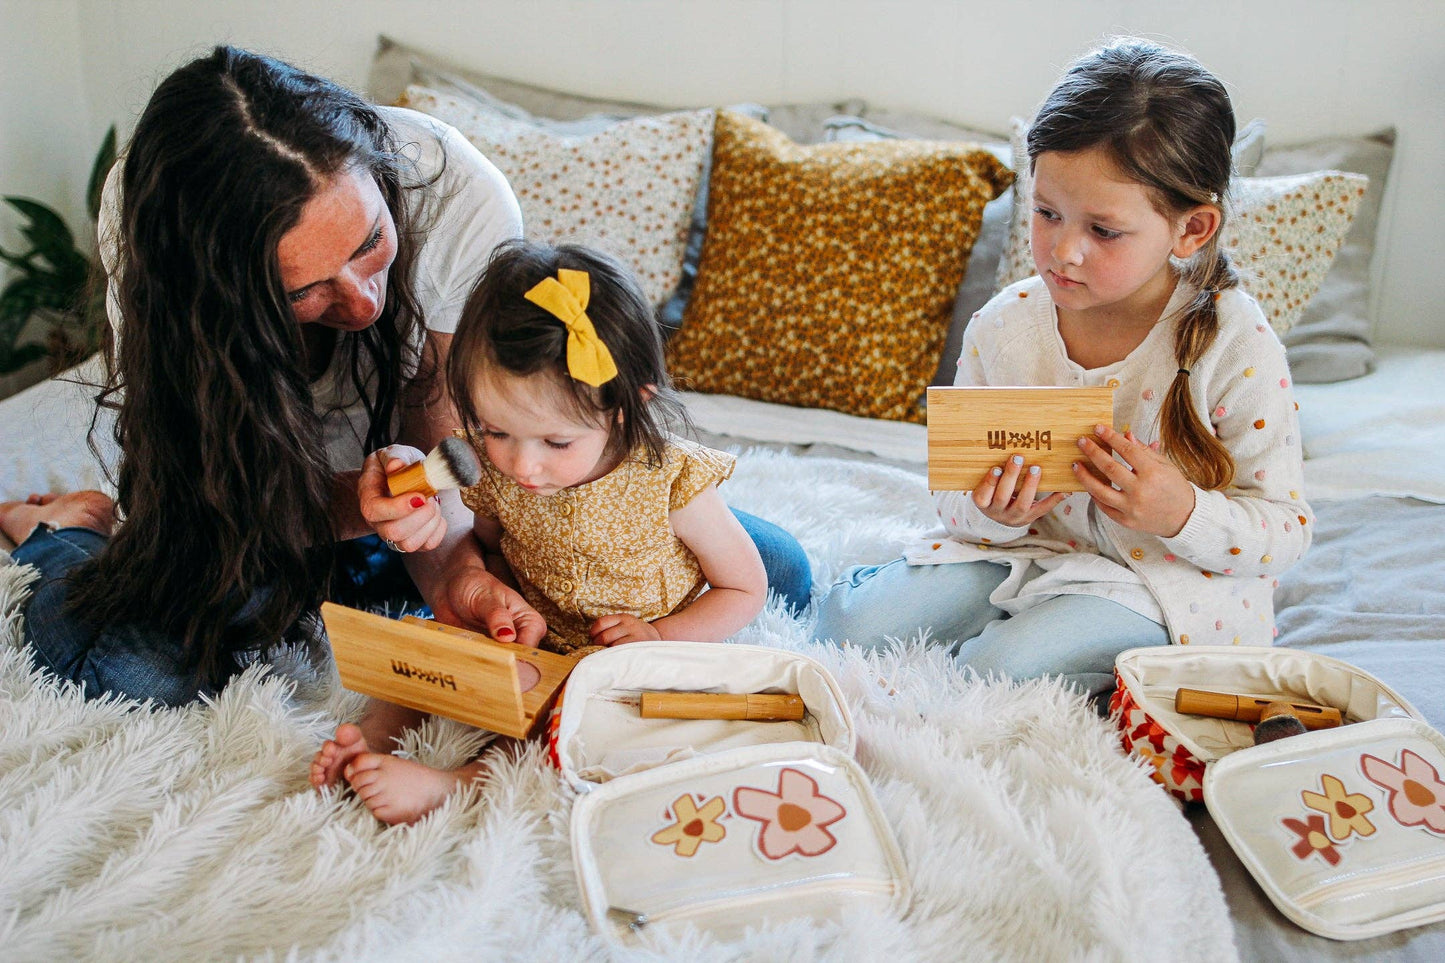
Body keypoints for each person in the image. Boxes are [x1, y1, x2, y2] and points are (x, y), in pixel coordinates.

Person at [0, 47, 810, 707]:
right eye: (302, 291)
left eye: (369, 244)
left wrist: (457, 572)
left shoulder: (454, 192)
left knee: (776, 573)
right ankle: (63, 531)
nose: (360, 301)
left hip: (422, 513)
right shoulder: (155, 234)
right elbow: (225, 496)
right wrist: (366, 505)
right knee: (140, 672)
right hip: (263, 508)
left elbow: (457, 455)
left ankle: (369, 569)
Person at [813, 39, 1312, 700]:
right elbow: (953, 496)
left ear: (1190, 229)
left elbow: (1284, 532)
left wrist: (1181, 510)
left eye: (1103, 231)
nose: (1063, 252)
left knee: (1001, 672)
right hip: (1022, 552)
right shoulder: (1005, 325)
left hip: (1161, 580)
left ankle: (1036, 645)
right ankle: (989, 618)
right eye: (1047, 213)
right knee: (850, 623)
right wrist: (992, 514)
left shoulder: (1233, 344)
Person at [311, 240, 768, 823]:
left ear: (626, 407)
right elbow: (492, 547)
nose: (524, 466)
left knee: (569, 714)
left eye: (557, 443)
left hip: (624, 658)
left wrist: (658, 636)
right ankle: (370, 739)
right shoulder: (496, 472)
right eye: (497, 431)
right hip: (534, 635)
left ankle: (460, 785)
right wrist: (491, 593)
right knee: (430, 648)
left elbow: (743, 590)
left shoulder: (672, 479)